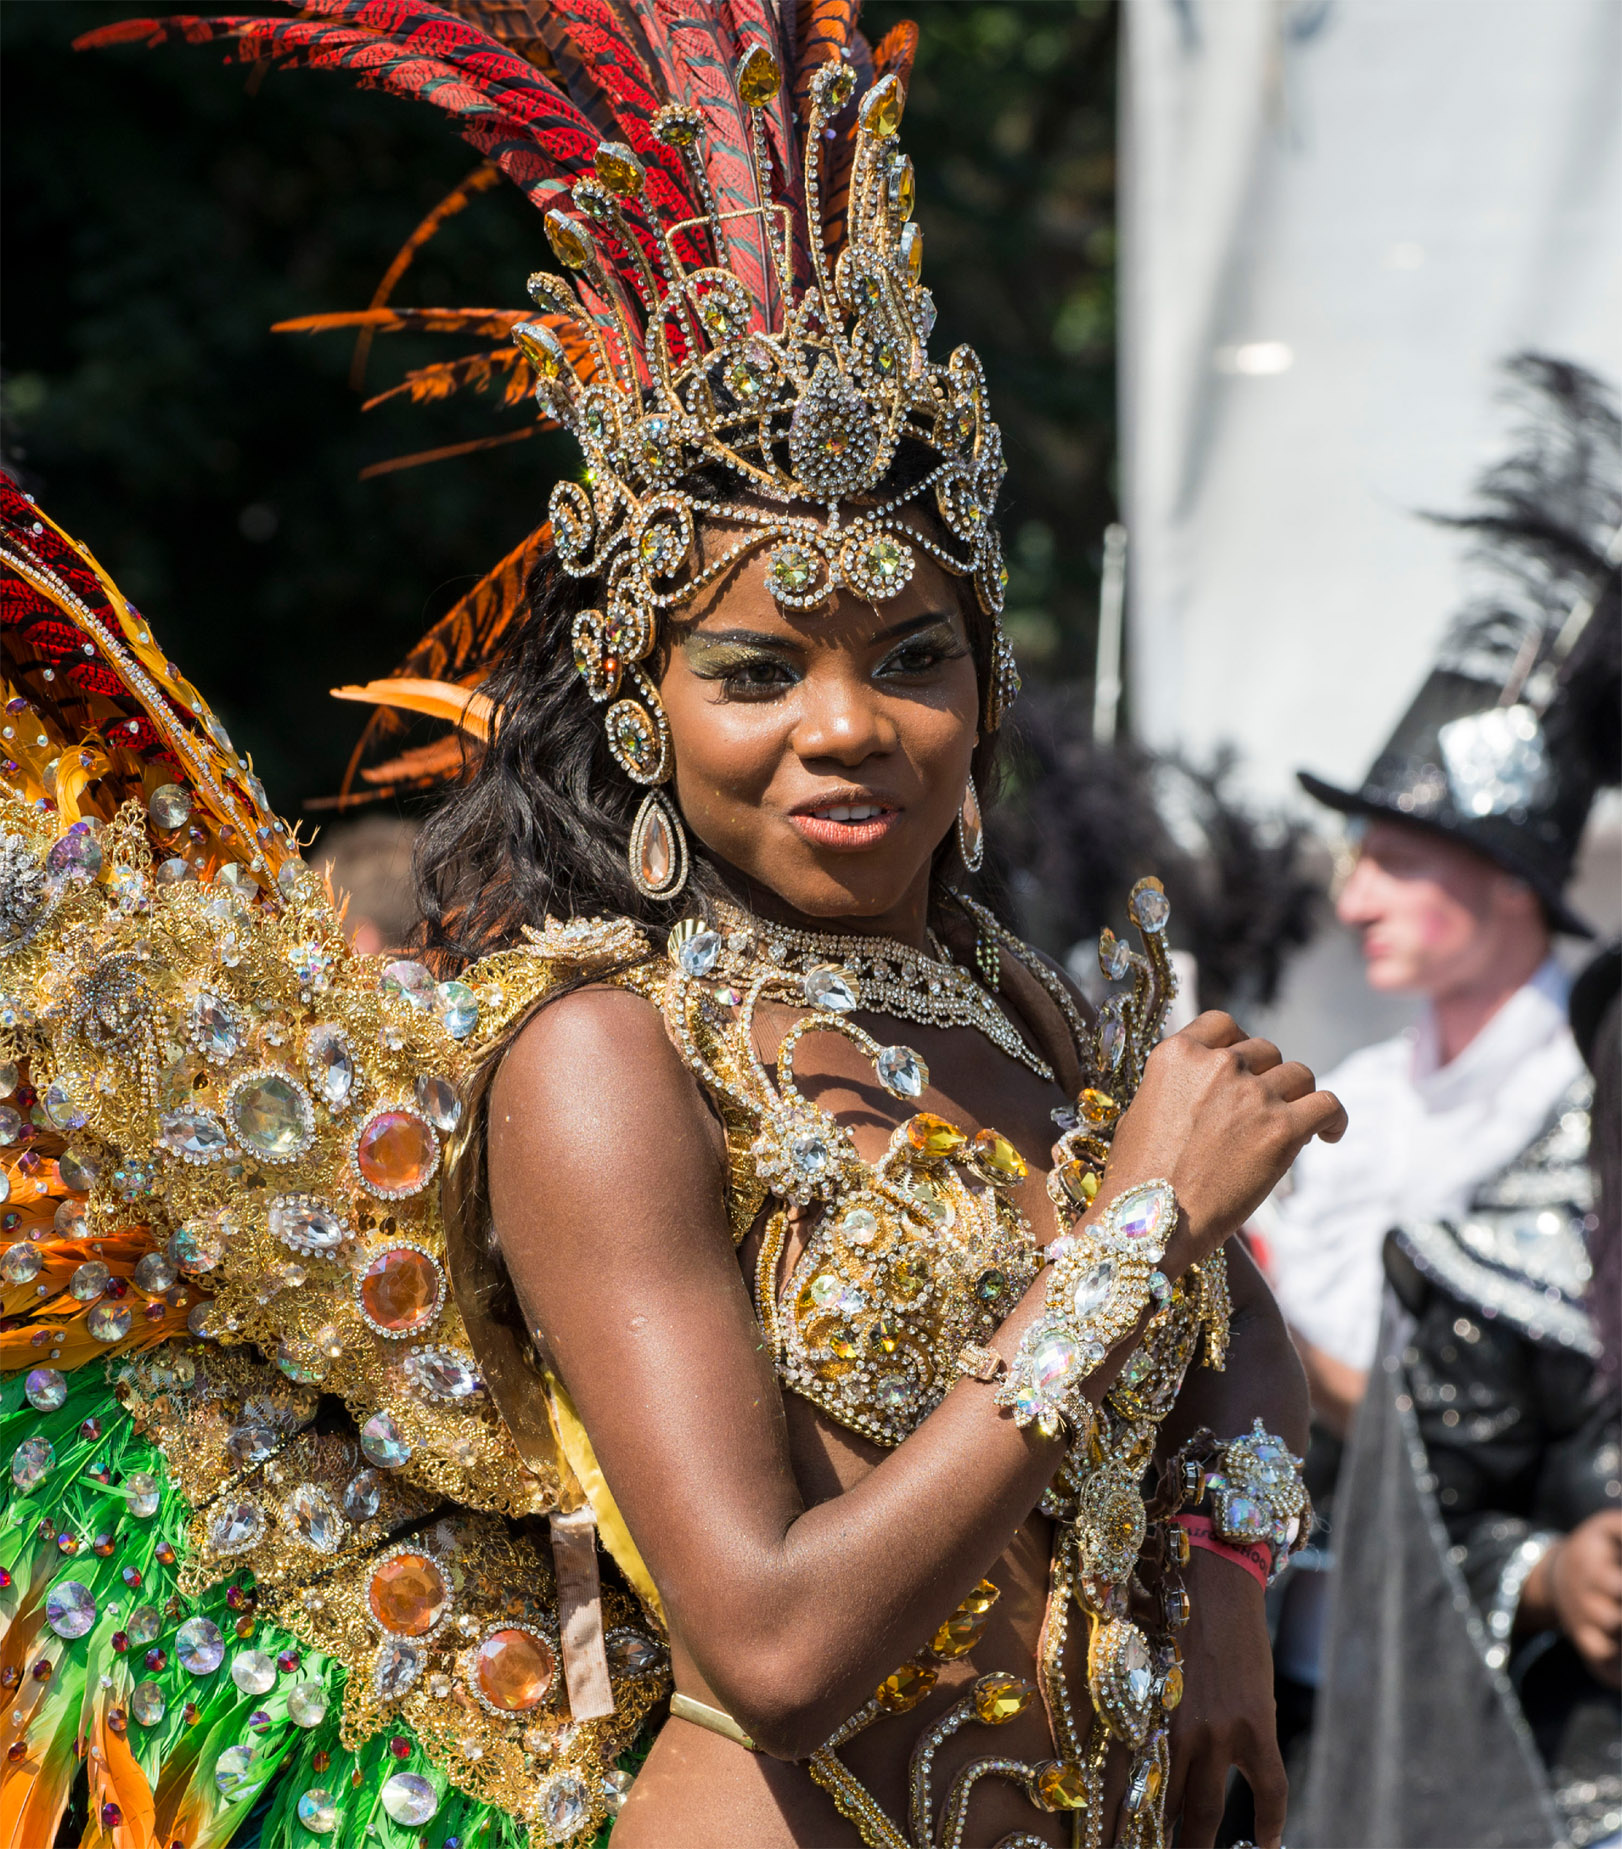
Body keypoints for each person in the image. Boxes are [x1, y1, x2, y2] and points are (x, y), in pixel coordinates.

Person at [0, 7, 1338, 1849]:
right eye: (755, 669)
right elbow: (776, 1639)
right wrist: (1132, 1229)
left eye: (913, 656)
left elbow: (1222, 1324)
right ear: (645, 706)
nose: (849, 724)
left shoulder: (1012, 1003)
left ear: (990, 689)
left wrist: (1228, 1591)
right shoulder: (607, 1055)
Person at [1278, 355, 1622, 1846]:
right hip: (1315, 1663)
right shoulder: (1353, 1092)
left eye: (1392, 853)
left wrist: (1243, 1317)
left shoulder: (1590, 1105)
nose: (1350, 890)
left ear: (1501, 880)